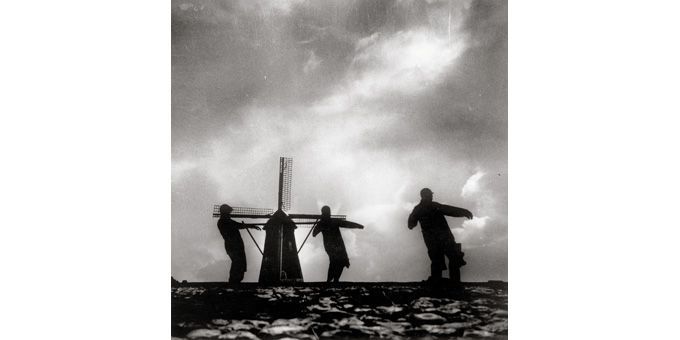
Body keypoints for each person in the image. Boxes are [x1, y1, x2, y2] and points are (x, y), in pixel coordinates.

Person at [408, 188, 473, 284]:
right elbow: (449, 210)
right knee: (446, 259)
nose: (431, 196)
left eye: (431, 195)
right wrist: (464, 212)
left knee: (445, 259)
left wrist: (464, 212)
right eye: (430, 195)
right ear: (425, 196)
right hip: (442, 239)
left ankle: (448, 283)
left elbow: (411, 224)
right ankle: (448, 283)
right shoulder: (431, 207)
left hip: (436, 240)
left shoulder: (419, 209)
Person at [312, 206, 364, 282]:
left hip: (334, 245)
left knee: (340, 261)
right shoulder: (326, 223)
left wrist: (358, 226)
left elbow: (314, 234)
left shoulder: (323, 223)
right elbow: (314, 234)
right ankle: (330, 279)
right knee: (335, 261)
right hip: (333, 245)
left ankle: (334, 279)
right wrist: (358, 226)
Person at [217, 204, 261, 283]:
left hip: (234, 246)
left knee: (238, 263)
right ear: (225, 213)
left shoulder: (225, 221)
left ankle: (235, 281)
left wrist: (251, 226)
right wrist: (251, 226)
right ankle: (234, 281)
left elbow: (238, 225)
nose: (229, 214)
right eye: (228, 213)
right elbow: (238, 225)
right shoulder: (224, 222)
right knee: (238, 263)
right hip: (233, 246)